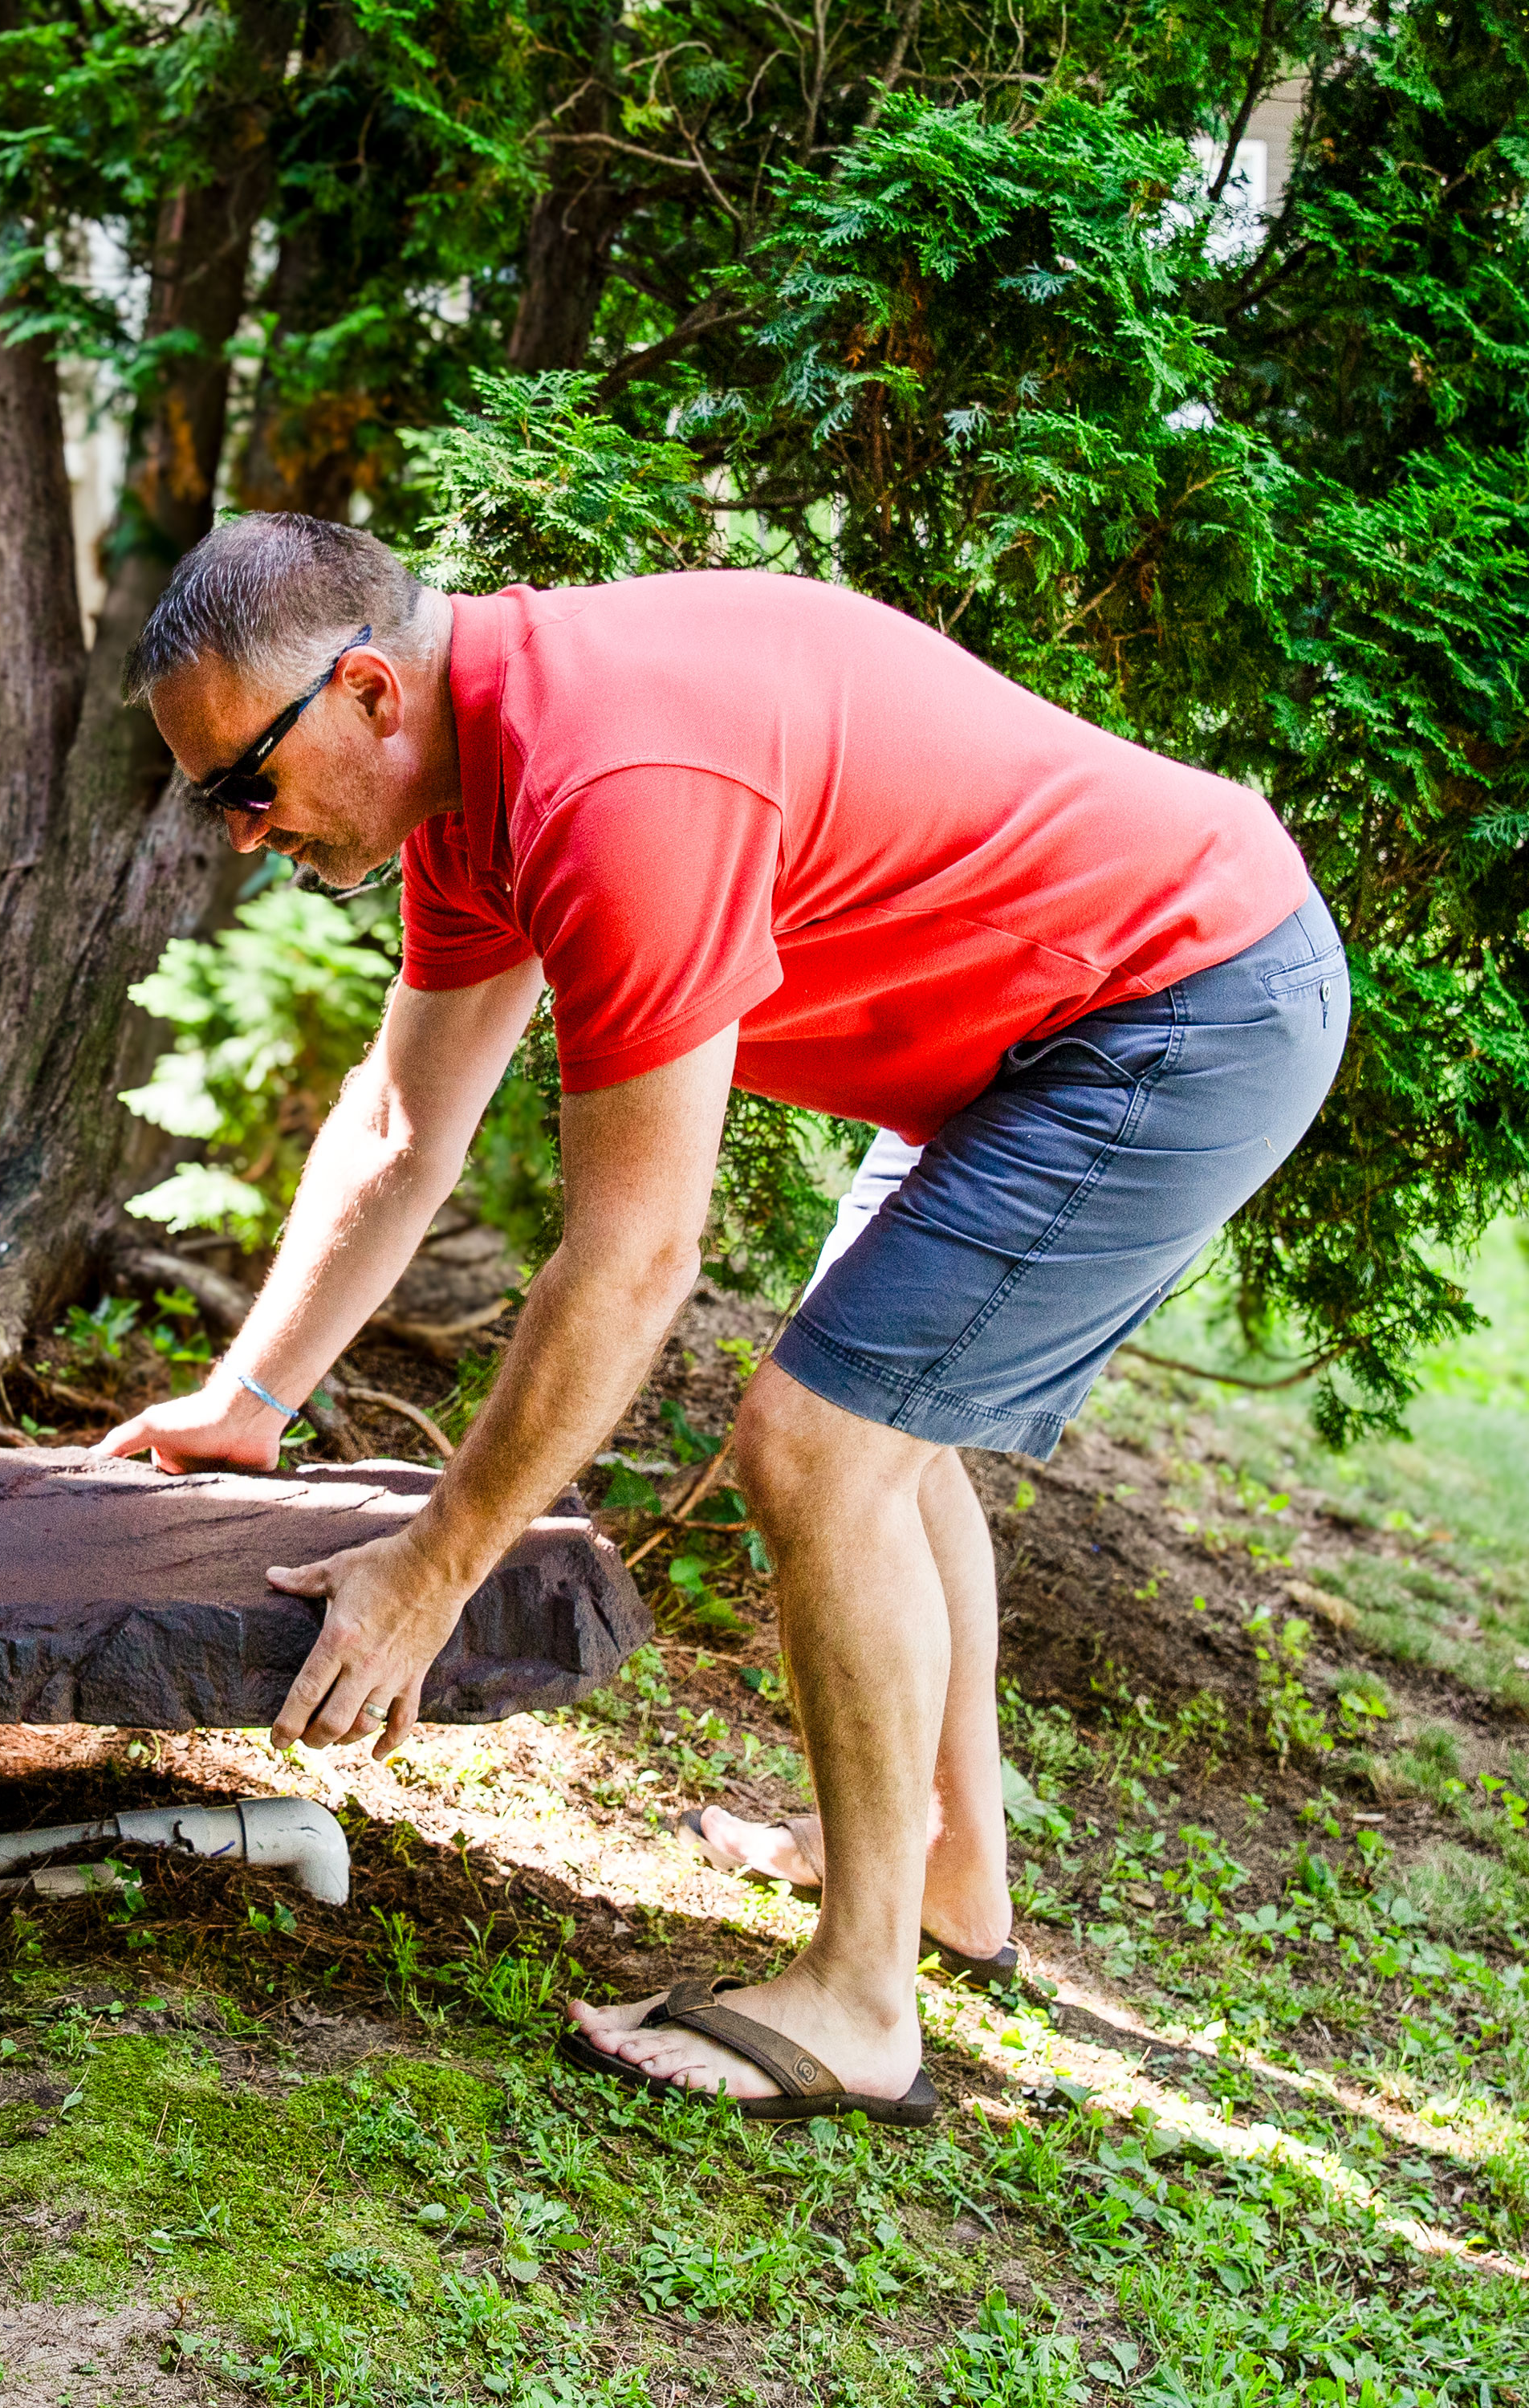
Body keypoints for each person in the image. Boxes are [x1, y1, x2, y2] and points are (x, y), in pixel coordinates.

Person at [92, 513, 1346, 2126]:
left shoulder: (610, 790)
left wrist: (433, 1571)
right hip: (1053, 1023)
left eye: (241, 785)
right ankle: (954, 1875)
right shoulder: (472, 793)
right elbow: (406, 1131)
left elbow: (634, 1259)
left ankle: (861, 2001)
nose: (243, 836)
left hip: (1180, 1000)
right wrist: (253, 1389)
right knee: (894, 1437)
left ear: (363, 692)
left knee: (824, 1449)